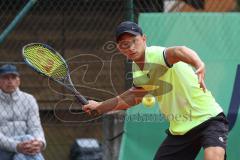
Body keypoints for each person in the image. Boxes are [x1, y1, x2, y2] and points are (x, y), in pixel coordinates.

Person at [83, 21, 229, 160]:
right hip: (180, 130)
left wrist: (198, 63)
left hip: (209, 118)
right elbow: (133, 97)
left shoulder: (157, 55)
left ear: (144, 39)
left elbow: (180, 51)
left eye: (135, 41)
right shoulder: (137, 72)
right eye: (125, 44)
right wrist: (100, 106)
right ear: (119, 48)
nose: (131, 47)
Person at [0, 64, 46, 160]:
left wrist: (39, 142)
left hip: (25, 150)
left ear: (18, 81)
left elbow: (35, 127)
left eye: (13, 77)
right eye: (5, 78)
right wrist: (17, 146)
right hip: (2, 150)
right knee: (27, 141)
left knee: (20, 156)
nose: (10, 81)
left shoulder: (29, 99)